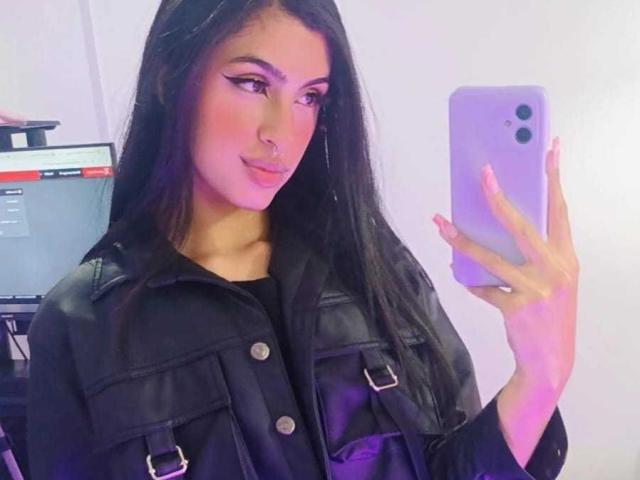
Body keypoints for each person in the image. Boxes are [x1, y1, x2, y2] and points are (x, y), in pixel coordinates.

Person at [26, 0, 579, 479]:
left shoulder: (370, 262)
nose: (282, 133)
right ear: (170, 78)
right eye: (252, 83)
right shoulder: (82, 325)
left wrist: (541, 378)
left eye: (310, 97)